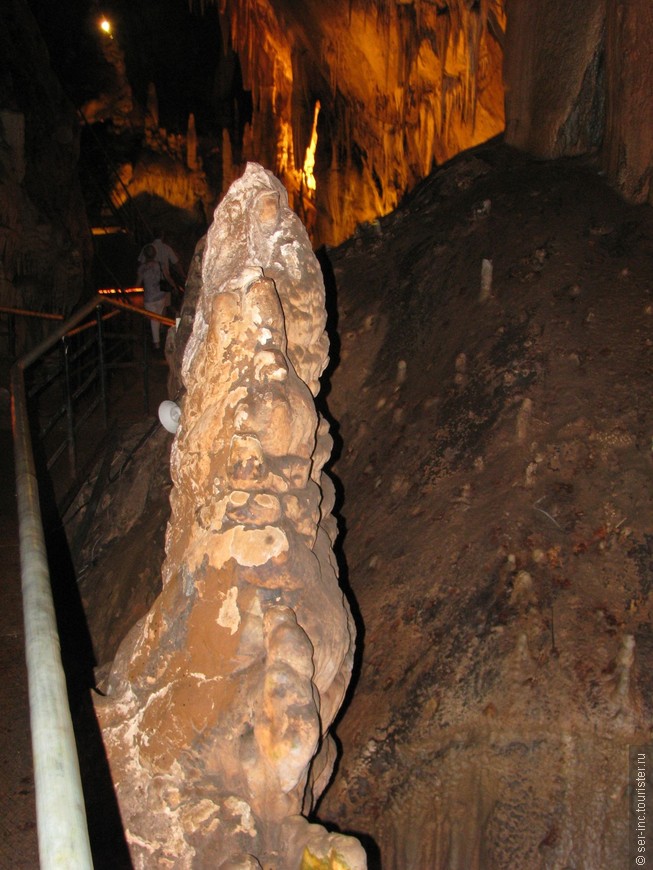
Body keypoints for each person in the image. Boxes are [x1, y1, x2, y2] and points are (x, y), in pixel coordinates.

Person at [138, 228, 186, 311]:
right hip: (164, 282)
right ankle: (162, 321)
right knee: (163, 307)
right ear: (162, 236)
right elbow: (176, 263)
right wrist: (183, 275)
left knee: (151, 309)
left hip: (150, 283)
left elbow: (141, 265)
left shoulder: (147, 248)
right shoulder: (166, 248)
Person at [137, 244, 170, 350]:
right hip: (160, 295)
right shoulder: (160, 265)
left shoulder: (142, 268)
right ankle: (159, 337)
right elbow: (167, 277)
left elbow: (138, 283)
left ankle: (157, 343)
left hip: (149, 298)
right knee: (158, 317)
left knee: (154, 319)